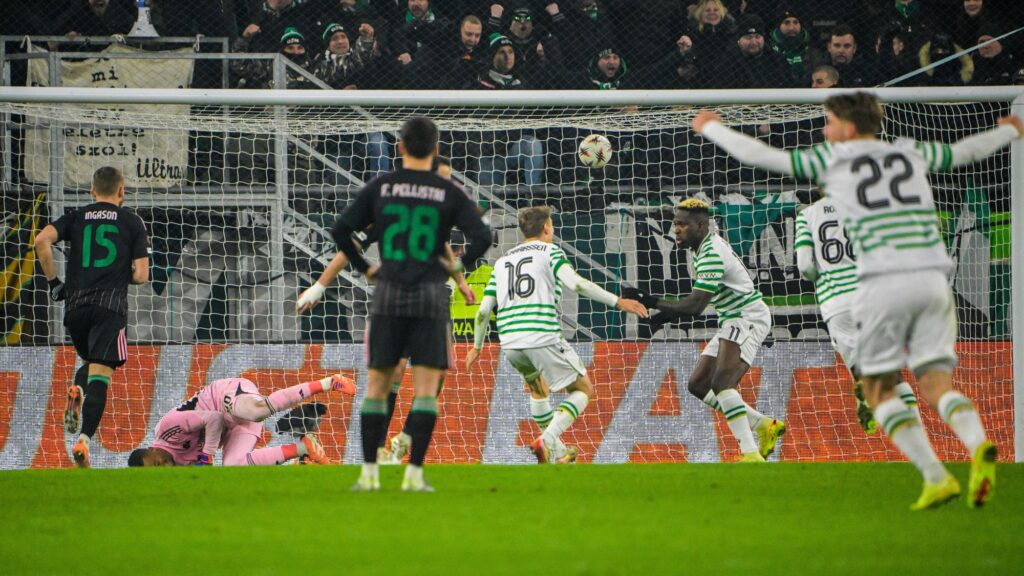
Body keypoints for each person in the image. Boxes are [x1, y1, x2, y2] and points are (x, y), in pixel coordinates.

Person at [692, 91, 1023, 508]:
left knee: (877, 388)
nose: (825, 131)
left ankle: (936, 476)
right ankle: (976, 442)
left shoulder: (834, 164)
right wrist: (1007, 131)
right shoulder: (907, 152)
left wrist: (713, 128)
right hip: (934, 283)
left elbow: (765, 157)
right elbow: (962, 153)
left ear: (848, 127)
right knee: (937, 384)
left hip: (880, 286)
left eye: (829, 122)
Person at [332, 116, 492, 492]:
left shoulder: (382, 186)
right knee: (425, 389)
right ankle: (414, 475)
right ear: (436, 149)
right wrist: (457, 268)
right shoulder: (447, 190)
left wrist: (365, 269)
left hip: (388, 293)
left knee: (377, 386)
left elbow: (340, 229)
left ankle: (369, 475)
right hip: (430, 296)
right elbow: (483, 236)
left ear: (400, 147)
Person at [295, 157, 475, 465]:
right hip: (396, 300)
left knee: (438, 375)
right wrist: (320, 286)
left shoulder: (437, 212)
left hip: (433, 299)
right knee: (394, 373)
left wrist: (460, 281)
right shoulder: (392, 209)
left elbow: (444, 246)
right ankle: (378, 449)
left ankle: (404, 438)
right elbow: (351, 246)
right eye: (442, 178)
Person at [465, 206, 648, 463]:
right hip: (541, 334)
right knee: (583, 390)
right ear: (547, 227)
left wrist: (476, 347)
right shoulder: (550, 251)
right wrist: (617, 301)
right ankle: (548, 439)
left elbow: (483, 311)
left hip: (510, 342)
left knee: (538, 390)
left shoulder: (502, 262)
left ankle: (560, 452)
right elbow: (577, 284)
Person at [623, 199, 786, 463]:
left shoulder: (711, 254)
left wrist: (651, 301)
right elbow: (697, 302)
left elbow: (695, 306)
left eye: (683, 224)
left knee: (722, 384)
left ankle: (750, 453)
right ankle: (764, 425)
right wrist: (664, 316)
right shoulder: (703, 248)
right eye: (676, 223)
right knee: (698, 384)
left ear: (701, 226)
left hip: (747, 317)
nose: (677, 229)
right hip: (733, 320)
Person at [34, 166, 149, 468]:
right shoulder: (132, 221)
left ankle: (78, 391)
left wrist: (54, 283)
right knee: (101, 374)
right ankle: (83, 442)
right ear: (122, 191)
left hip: (76, 309)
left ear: (93, 190)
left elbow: (41, 240)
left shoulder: (76, 216)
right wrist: (120, 273)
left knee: (89, 365)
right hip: (109, 308)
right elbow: (141, 275)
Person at [794, 195, 921, 435]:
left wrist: (821, 276)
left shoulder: (807, 215)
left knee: (862, 371)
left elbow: (805, 266)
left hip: (837, 303)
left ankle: (865, 386)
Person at [127, 374, 356, 466]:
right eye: (158, 471)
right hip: (233, 427)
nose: (163, 466)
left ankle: (328, 382)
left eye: (156, 463)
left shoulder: (167, 429)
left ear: (152, 450)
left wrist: (207, 456)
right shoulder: (177, 467)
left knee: (257, 410)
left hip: (225, 398)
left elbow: (214, 418)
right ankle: (303, 448)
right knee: (233, 467)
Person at [715, 14, 793, 89]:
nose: (754, 42)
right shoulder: (727, 63)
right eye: (748, 37)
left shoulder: (776, 60)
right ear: (738, 40)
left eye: (757, 37)